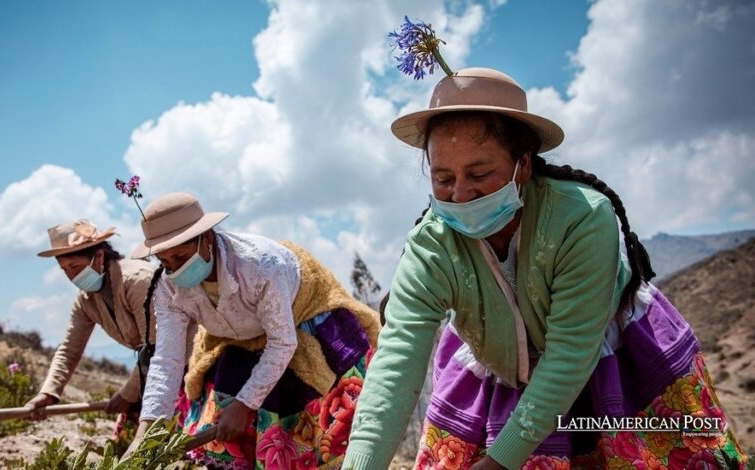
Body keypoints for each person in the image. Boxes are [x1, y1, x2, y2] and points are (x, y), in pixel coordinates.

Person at [343, 68, 748, 469]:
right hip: (503, 371)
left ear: (523, 164)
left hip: (612, 363)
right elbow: (395, 365)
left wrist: (499, 464)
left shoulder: (581, 219)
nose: (461, 194)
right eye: (443, 178)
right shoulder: (432, 247)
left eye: (480, 174)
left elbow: (570, 354)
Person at [126, 192, 381, 468]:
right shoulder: (168, 287)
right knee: (224, 422)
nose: (175, 269)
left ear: (207, 239)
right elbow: (168, 360)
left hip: (300, 320)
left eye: (181, 256)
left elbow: (282, 342)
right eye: (165, 262)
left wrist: (244, 405)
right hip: (237, 338)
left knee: (301, 427)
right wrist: (147, 430)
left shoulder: (260, 266)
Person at [26, 220, 183, 420]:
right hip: (152, 371)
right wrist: (48, 393)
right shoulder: (86, 300)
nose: (72, 276)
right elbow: (69, 350)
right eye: (65, 270)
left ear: (99, 256)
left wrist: (128, 394)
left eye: (75, 266)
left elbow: (157, 345)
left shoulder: (138, 281)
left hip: (185, 364)